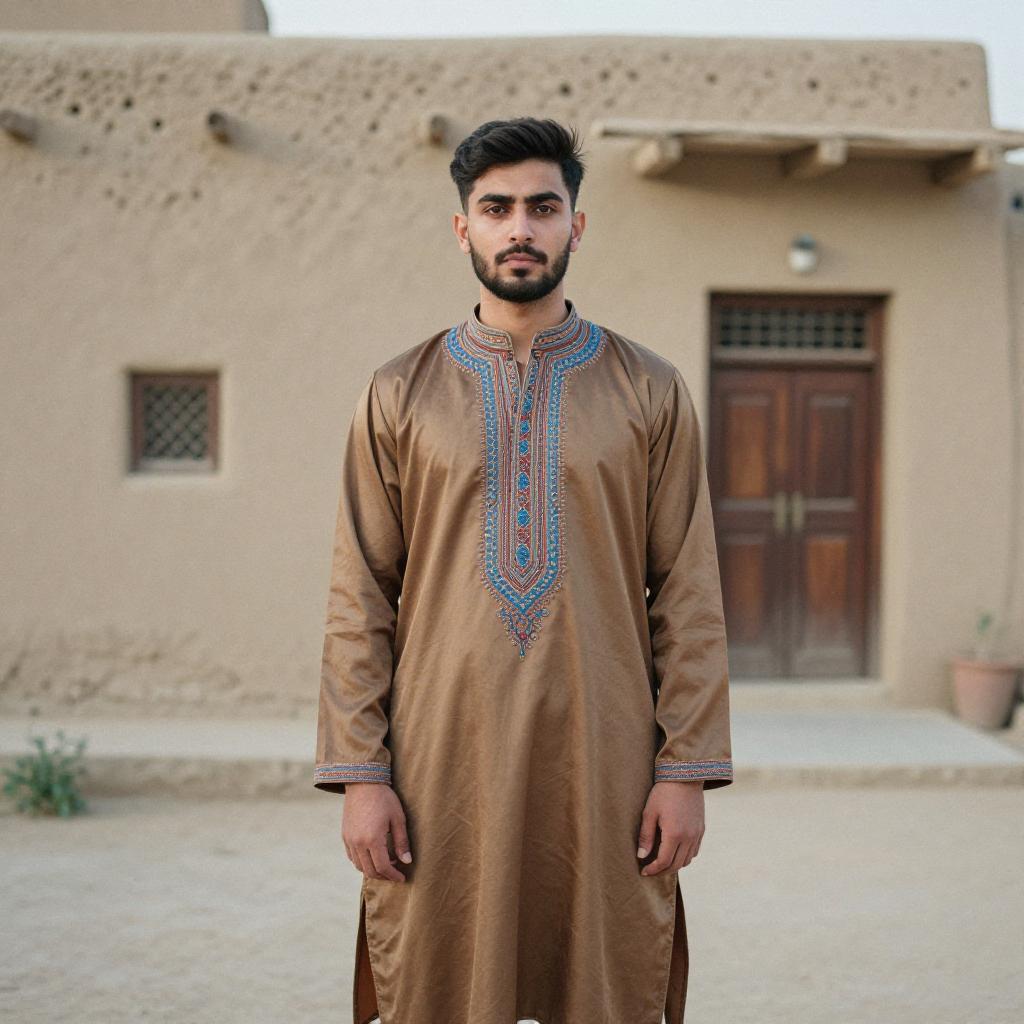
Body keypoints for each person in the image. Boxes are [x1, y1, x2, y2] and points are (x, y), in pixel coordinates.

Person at [314, 116, 733, 1024]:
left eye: (543, 207)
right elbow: (360, 596)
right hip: (437, 767)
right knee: (438, 983)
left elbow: (689, 592)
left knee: (603, 981)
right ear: (461, 227)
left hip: (606, 764)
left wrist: (685, 771)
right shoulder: (399, 392)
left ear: (576, 226)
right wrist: (362, 776)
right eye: (495, 208)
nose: (520, 229)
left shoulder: (648, 390)